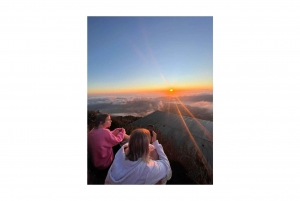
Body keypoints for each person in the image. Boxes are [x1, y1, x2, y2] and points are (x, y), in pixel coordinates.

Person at [105, 128, 172, 184]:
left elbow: (130, 142)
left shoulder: (121, 152)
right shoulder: (147, 168)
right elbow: (166, 165)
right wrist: (155, 142)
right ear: (146, 147)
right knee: (164, 176)